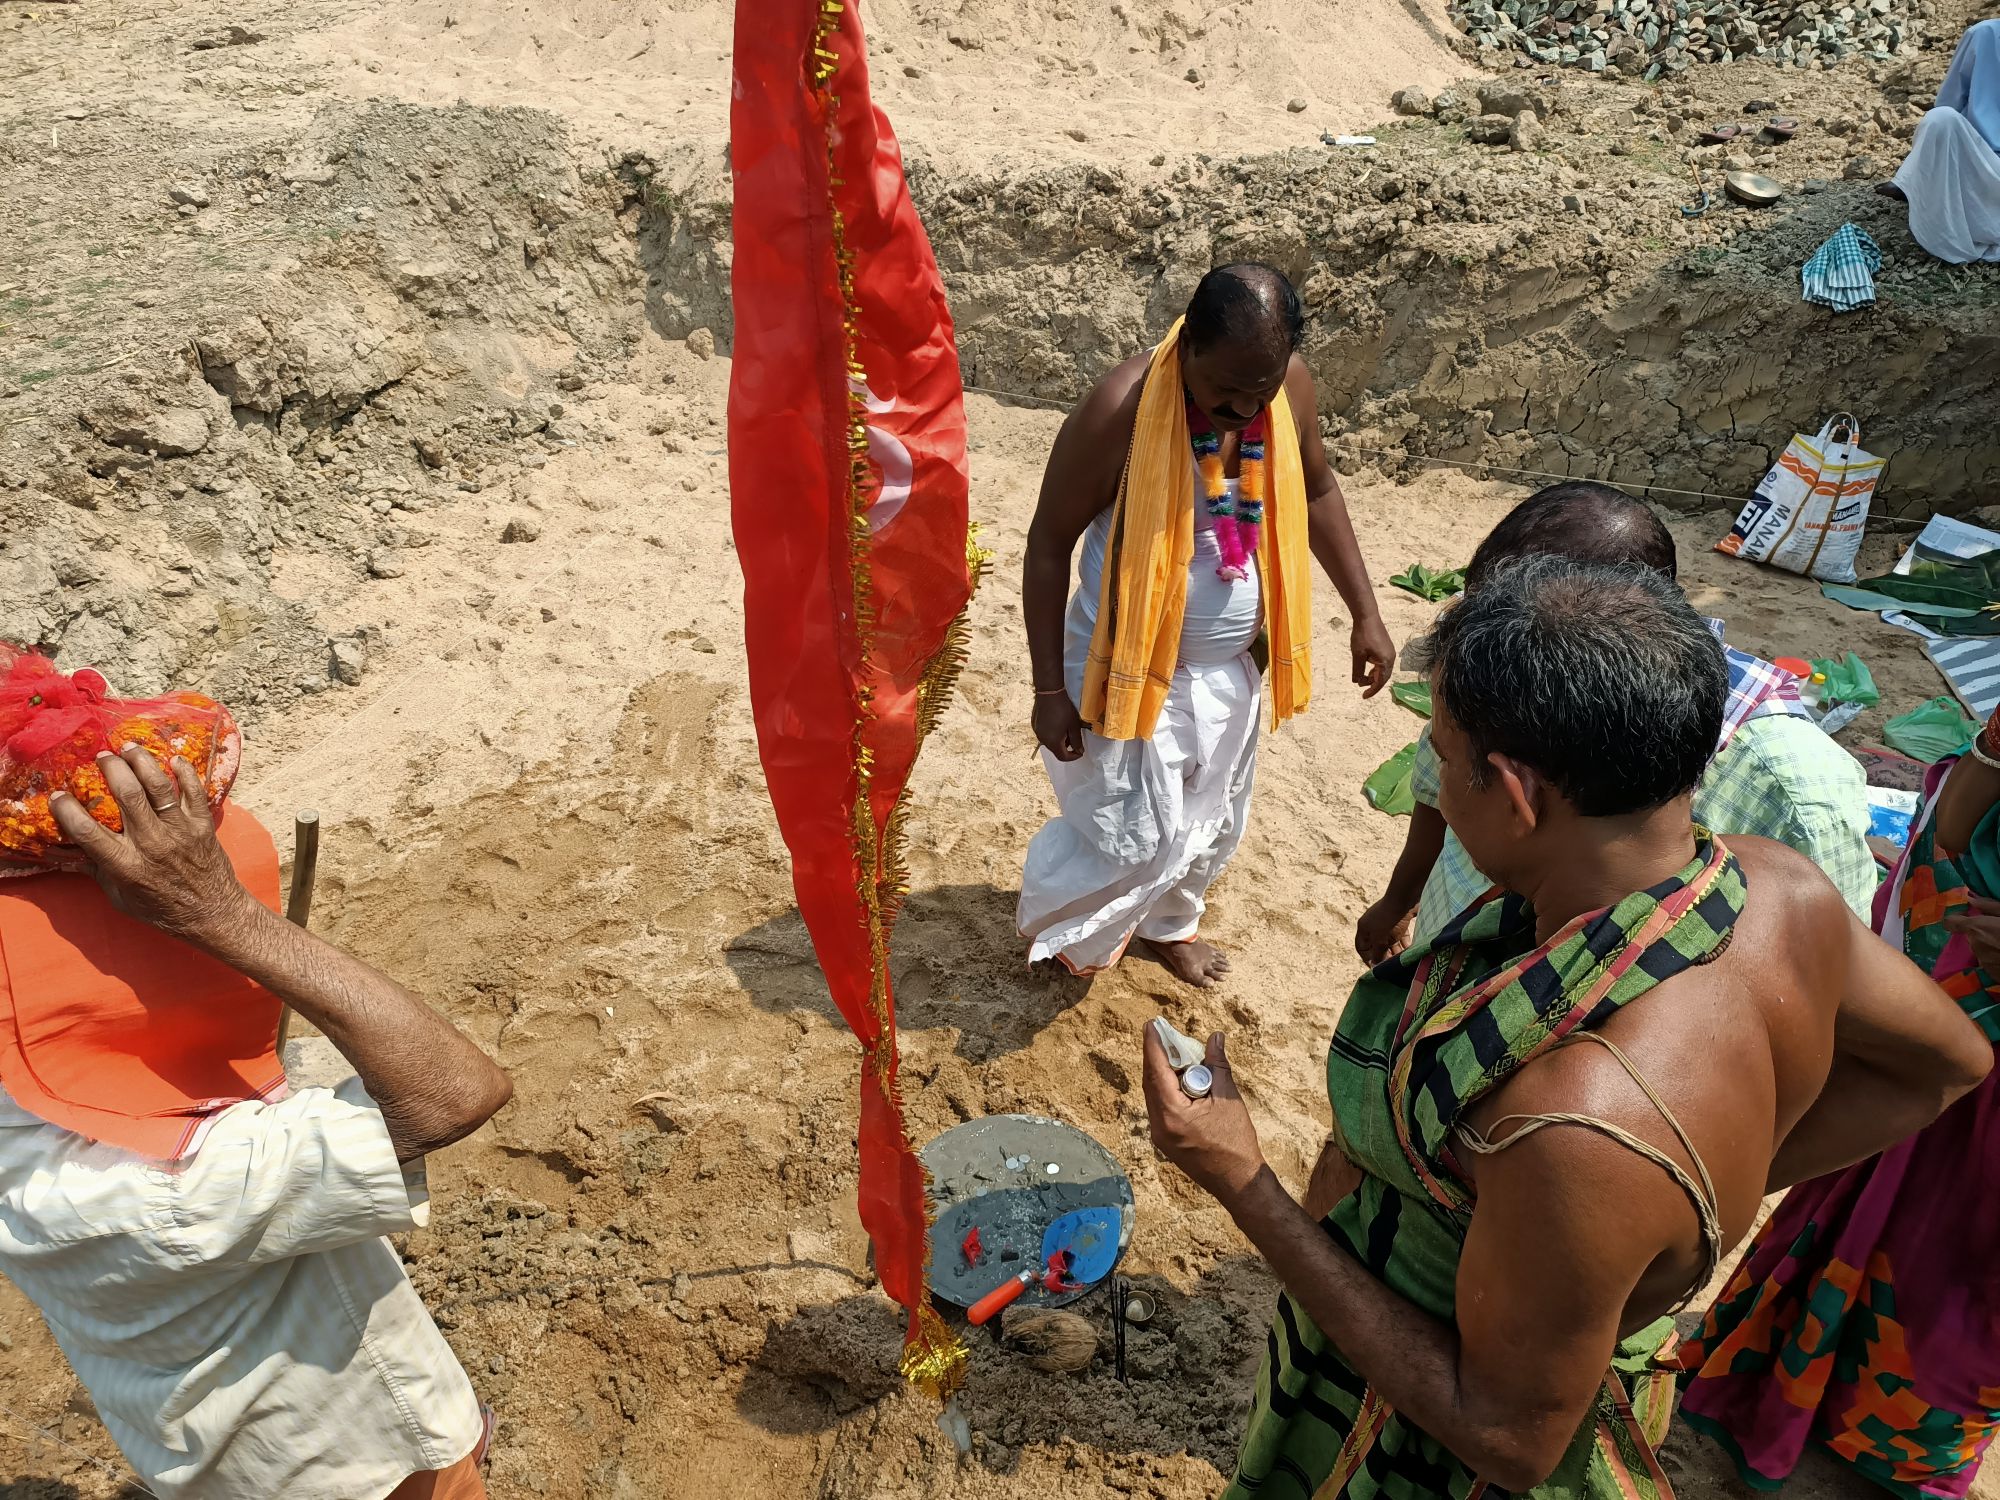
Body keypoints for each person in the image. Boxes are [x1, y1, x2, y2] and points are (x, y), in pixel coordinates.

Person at [1141, 556, 1991, 1500]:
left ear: (1513, 792)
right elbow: (1948, 1064)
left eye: (1444, 754)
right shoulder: (1779, 889)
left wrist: (1239, 1179)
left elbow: (1507, 1438)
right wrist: (1711, 1189)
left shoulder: (1573, 1125)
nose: (1441, 787)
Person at [0, 745, 512, 1500]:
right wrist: (220, 914)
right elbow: (453, 1093)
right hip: (368, 1471)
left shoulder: (32, 1109)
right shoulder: (151, 1189)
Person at [1018, 263, 1394, 987]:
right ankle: (1070, 935)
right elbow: (1046, 545)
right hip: (1119, 659)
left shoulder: (1287, 395)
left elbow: (1316, 489)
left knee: (1212, 816)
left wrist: (1366, 611)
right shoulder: (1118, 410)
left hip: (1227, 671)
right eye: (1224, 389)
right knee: (1127, 828)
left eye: (1261, 390)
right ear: (1186, 345)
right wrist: (1046, 691)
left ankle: (1169, 927)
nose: (1242, 410)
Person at [1677, 703, 2000, 1500]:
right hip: (1959, 1015)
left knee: (1963, 1280)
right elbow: (1950, 848)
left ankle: (1904, 1446)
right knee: (1883, 1195)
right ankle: (1794, 1386)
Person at [1355, 481, 1875, 967]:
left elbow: (1831, 977)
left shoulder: (1795, 794)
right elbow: (1436, 784)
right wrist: (1401, 899)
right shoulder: (1488, 679)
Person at [1883, 19, 2000, 264]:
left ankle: (1915, 184)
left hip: (1979, 168)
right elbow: (1949, 105)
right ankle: (1914, 183)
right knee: (1940, 119)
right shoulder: (1983, 34)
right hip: (1977, 161)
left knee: (1940, 119)